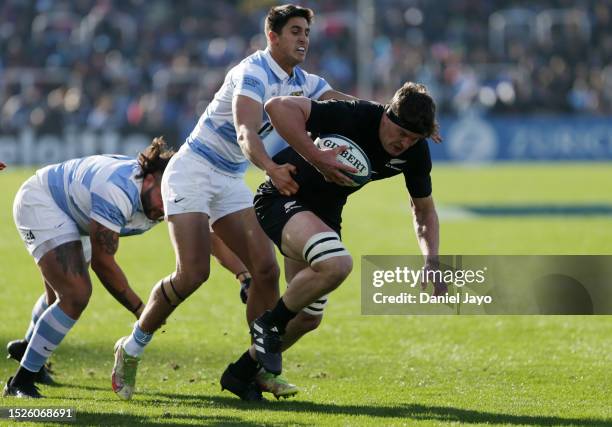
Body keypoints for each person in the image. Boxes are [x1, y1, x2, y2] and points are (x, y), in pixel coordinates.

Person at [111, 4, 354, 402]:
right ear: (272, 36)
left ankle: (256, 367)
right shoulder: (252, 71)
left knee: (264, 270)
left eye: (307, 32)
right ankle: (132, 347)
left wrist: (390, 117)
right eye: (295, 31)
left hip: (227, 178)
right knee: (192, 274)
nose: (303, 39)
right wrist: (273, 170)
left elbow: (344, 107)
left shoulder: (303, 80)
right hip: (192, 170)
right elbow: (245, 131)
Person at [224, 82, 447, 389]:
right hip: (283, 195)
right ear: (387, 116)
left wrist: (431, 259)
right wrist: (316, 156)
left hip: (323, 215)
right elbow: (276, 107)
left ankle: (241, 373)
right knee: (337, 264)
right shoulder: (354, 116)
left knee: (308, 317)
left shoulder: (415, 152)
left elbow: (423, 211)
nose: (404, 143)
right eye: (401, 134)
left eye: (414, 138)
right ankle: (268, 325)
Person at [3, 138, 175, 399]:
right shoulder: (119, 190)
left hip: (75, 212)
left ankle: (28, 347)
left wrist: (243, 274)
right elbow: (103, 264)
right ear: (150, 179)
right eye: (164, 196)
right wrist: (142, 311)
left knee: (58, 297)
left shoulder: (163, 195)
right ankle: (20, 382)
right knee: (75, 294)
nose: (166, 206)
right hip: (43, 201)